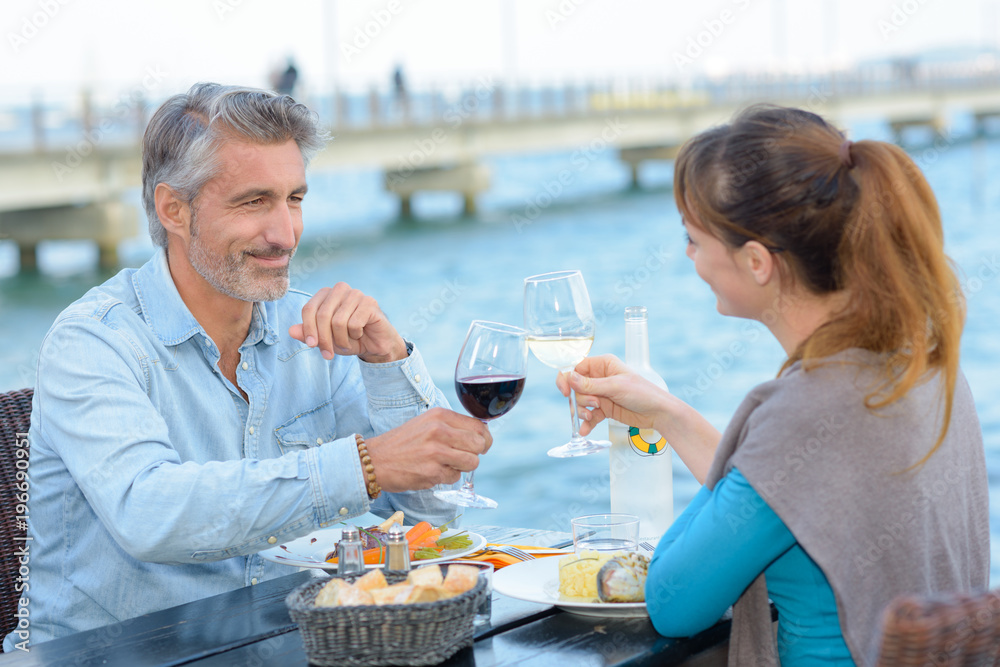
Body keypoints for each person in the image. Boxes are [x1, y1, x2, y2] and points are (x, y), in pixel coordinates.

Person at [5, 83, 490, 650]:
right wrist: (363, 466)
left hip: (282, 646)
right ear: (174, 210)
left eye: (295, 199)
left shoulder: (315, 331)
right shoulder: (92, 340)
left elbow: (434, 515)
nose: (285, 234)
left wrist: (388, 363)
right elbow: (147, 512)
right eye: (254, 201)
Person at [559, 105, 988, 665]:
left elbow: (673, 599)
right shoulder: (920, 363)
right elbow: (783, 490)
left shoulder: (807, 409)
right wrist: (666, 414)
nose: (689, 257)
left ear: (758, 262)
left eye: (693, 238)